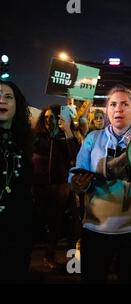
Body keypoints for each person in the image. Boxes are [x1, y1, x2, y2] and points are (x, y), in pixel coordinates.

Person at [69, 85, 131, 283]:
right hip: (96, 227)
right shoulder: (92, 139)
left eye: (125, 104)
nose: (118, 109)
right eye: (113, 104)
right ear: (107, 110)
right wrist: (79, 184)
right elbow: (75, 175)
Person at [32, 103, 80, 270]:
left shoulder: (65, 137)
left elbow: (76, 156)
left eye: (52, 117)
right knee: (35, 223)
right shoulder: (37, 137)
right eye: (45, 117)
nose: (49, 121)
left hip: (60, 188)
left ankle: (49, 255)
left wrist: (67, 131)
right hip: (38, 187)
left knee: (55, 223)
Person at [0, 81, 34, 283]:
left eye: (8, 96)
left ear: (16, 105)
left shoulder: (24, 142)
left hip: (17, 233)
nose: (1, 100)